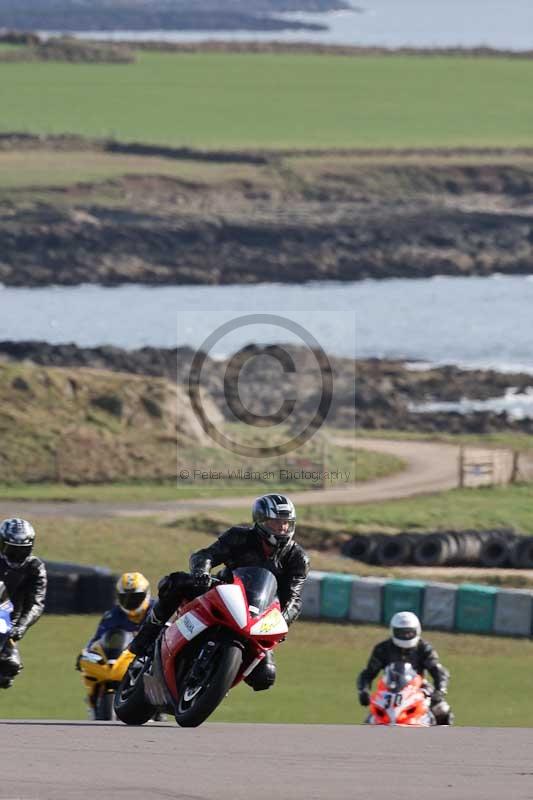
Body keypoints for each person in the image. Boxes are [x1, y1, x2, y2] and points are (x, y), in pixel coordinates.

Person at [129, 493, 310, 691]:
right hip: (223, 591)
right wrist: (201, 571)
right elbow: (206, 555)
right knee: (174, 583)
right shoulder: (239, 537)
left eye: (286, 523)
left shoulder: (297, 557)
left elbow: (293, 598)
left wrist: (282, 621)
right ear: (261, 521)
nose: (282, 528)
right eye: (276, 523)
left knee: (265, 676)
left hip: (258, 615)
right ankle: (145, 641)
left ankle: (216, 681)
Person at [356, 610, 453, 725]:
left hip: (419, 687)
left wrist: (440, 690)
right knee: (373, 714)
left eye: (409, 633)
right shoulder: (382, 648)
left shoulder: (424, 648)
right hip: (389, 687)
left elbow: (438, 671)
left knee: (442, 709)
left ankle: (444, 737)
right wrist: (363, 691)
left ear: (417, 631)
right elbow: (368, 672)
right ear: (393, 631)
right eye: (401, 633)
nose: (405, 636)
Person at [76, 572, 152, 717]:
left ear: (146, 594)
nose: (130, 602)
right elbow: (99, 637)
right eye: (125, 598)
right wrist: (86, 651)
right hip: (122, 656)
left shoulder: (157, 610)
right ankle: (93, 703)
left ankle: (157, 707)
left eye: (135, 598)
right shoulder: (113, 615)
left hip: (150, 656)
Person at [0, 518, 47, 689]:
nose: (17, 557)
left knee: (9, 669)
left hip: (9, 624)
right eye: (12, 551)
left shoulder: (35, 568)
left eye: (22, 552)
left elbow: (36, 603)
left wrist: (21, 626)